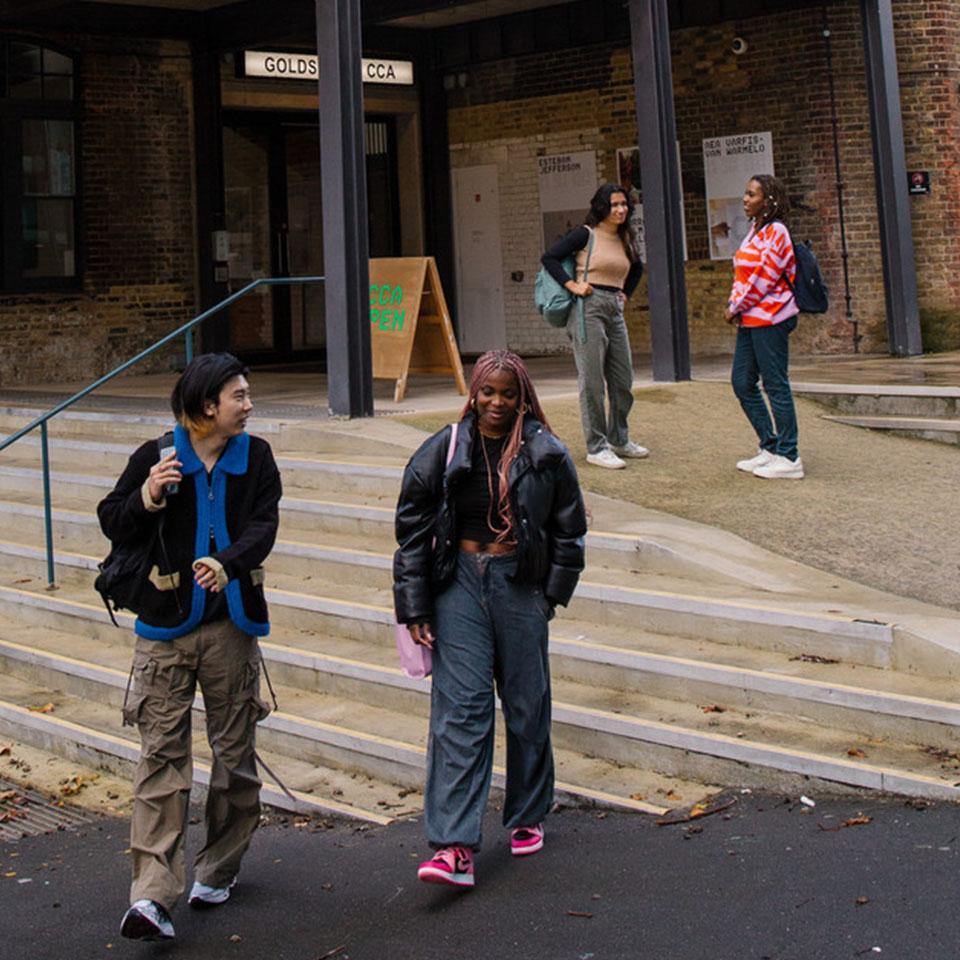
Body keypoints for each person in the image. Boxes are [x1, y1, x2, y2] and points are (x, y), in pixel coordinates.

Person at [98, 353, 282, 941]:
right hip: (163, 631)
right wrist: (148, 496)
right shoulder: (156, 455)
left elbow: (264, 526)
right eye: (239, 396)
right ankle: (151, 895)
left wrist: (226, 565)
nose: (248, 405)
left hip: (230, 628)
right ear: (208, 405)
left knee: (234, 756)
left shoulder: (256, 457)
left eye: (247, 394)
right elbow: (112, 520)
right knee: (161, 758)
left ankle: (220, 865)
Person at [393, 350, 587, 888]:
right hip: (457, 584)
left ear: (523, 397)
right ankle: (453, 844)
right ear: (473, 395)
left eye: (507, 393)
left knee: (526, 702)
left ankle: (527, 811)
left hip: (518, 584)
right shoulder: (445, 448)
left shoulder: (546, 453)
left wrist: (550, 597)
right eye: (487, 392)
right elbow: (410, 530)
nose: (496, 403)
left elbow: (570, 532)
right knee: (462, 710)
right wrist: (415, 605)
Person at [541, 183, 647, 470]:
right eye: (614, 204)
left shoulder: (626, 237)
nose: (620, 209)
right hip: (587, 307)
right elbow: (549, 257)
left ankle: (619, 439)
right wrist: (572, 284)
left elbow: (637, 267)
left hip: (615, 308)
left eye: (624, 204)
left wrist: (626, 292)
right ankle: (596, 446)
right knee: (592, 380)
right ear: (602, 207)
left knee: (623, 378)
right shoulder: (585, 234)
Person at [726, 174, 804, 480]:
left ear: (768, 200)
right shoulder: (754, 231)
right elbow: (742, 275)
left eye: (751, 195)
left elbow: (762, 277)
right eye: (745, 194)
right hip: (750, 319)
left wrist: (735, 307)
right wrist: (737, 305)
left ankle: (790, 455)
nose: (745, 199)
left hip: (771, 318)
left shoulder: (777, 232)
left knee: (775, 384)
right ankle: (770, 446)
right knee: (742, 382)